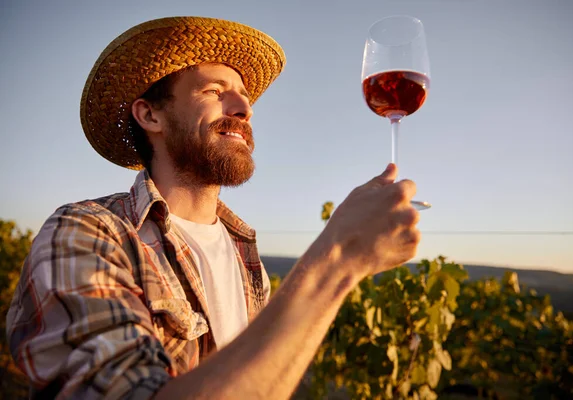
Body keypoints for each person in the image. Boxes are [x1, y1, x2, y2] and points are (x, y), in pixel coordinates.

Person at [6, 16, 421, 399]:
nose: (244, 108)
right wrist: (337, 259)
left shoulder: (244, 253)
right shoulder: (87, 232)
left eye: (244, 96)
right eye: (215, 92)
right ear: (150, 115)